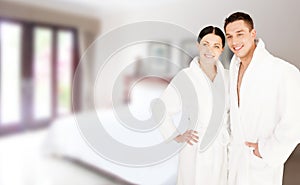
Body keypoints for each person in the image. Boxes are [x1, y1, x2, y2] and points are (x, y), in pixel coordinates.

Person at [224, 11, 300, 185]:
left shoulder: (282, 71)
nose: (234, 42)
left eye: (240, 34)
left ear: (253, 34)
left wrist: (267, 150)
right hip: (235, 163)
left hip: (260, 165)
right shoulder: (233, 71)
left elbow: (296, 120)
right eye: (229, 36)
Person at [159, 26, 230, 185]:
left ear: (222, 50)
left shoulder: (227, 77)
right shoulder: (185, 77)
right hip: (195, 147)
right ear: (198, 45)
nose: (209, 50)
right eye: (205, 44)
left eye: (216, 46)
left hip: (221, 146)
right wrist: (176, 135)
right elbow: (162, 108)